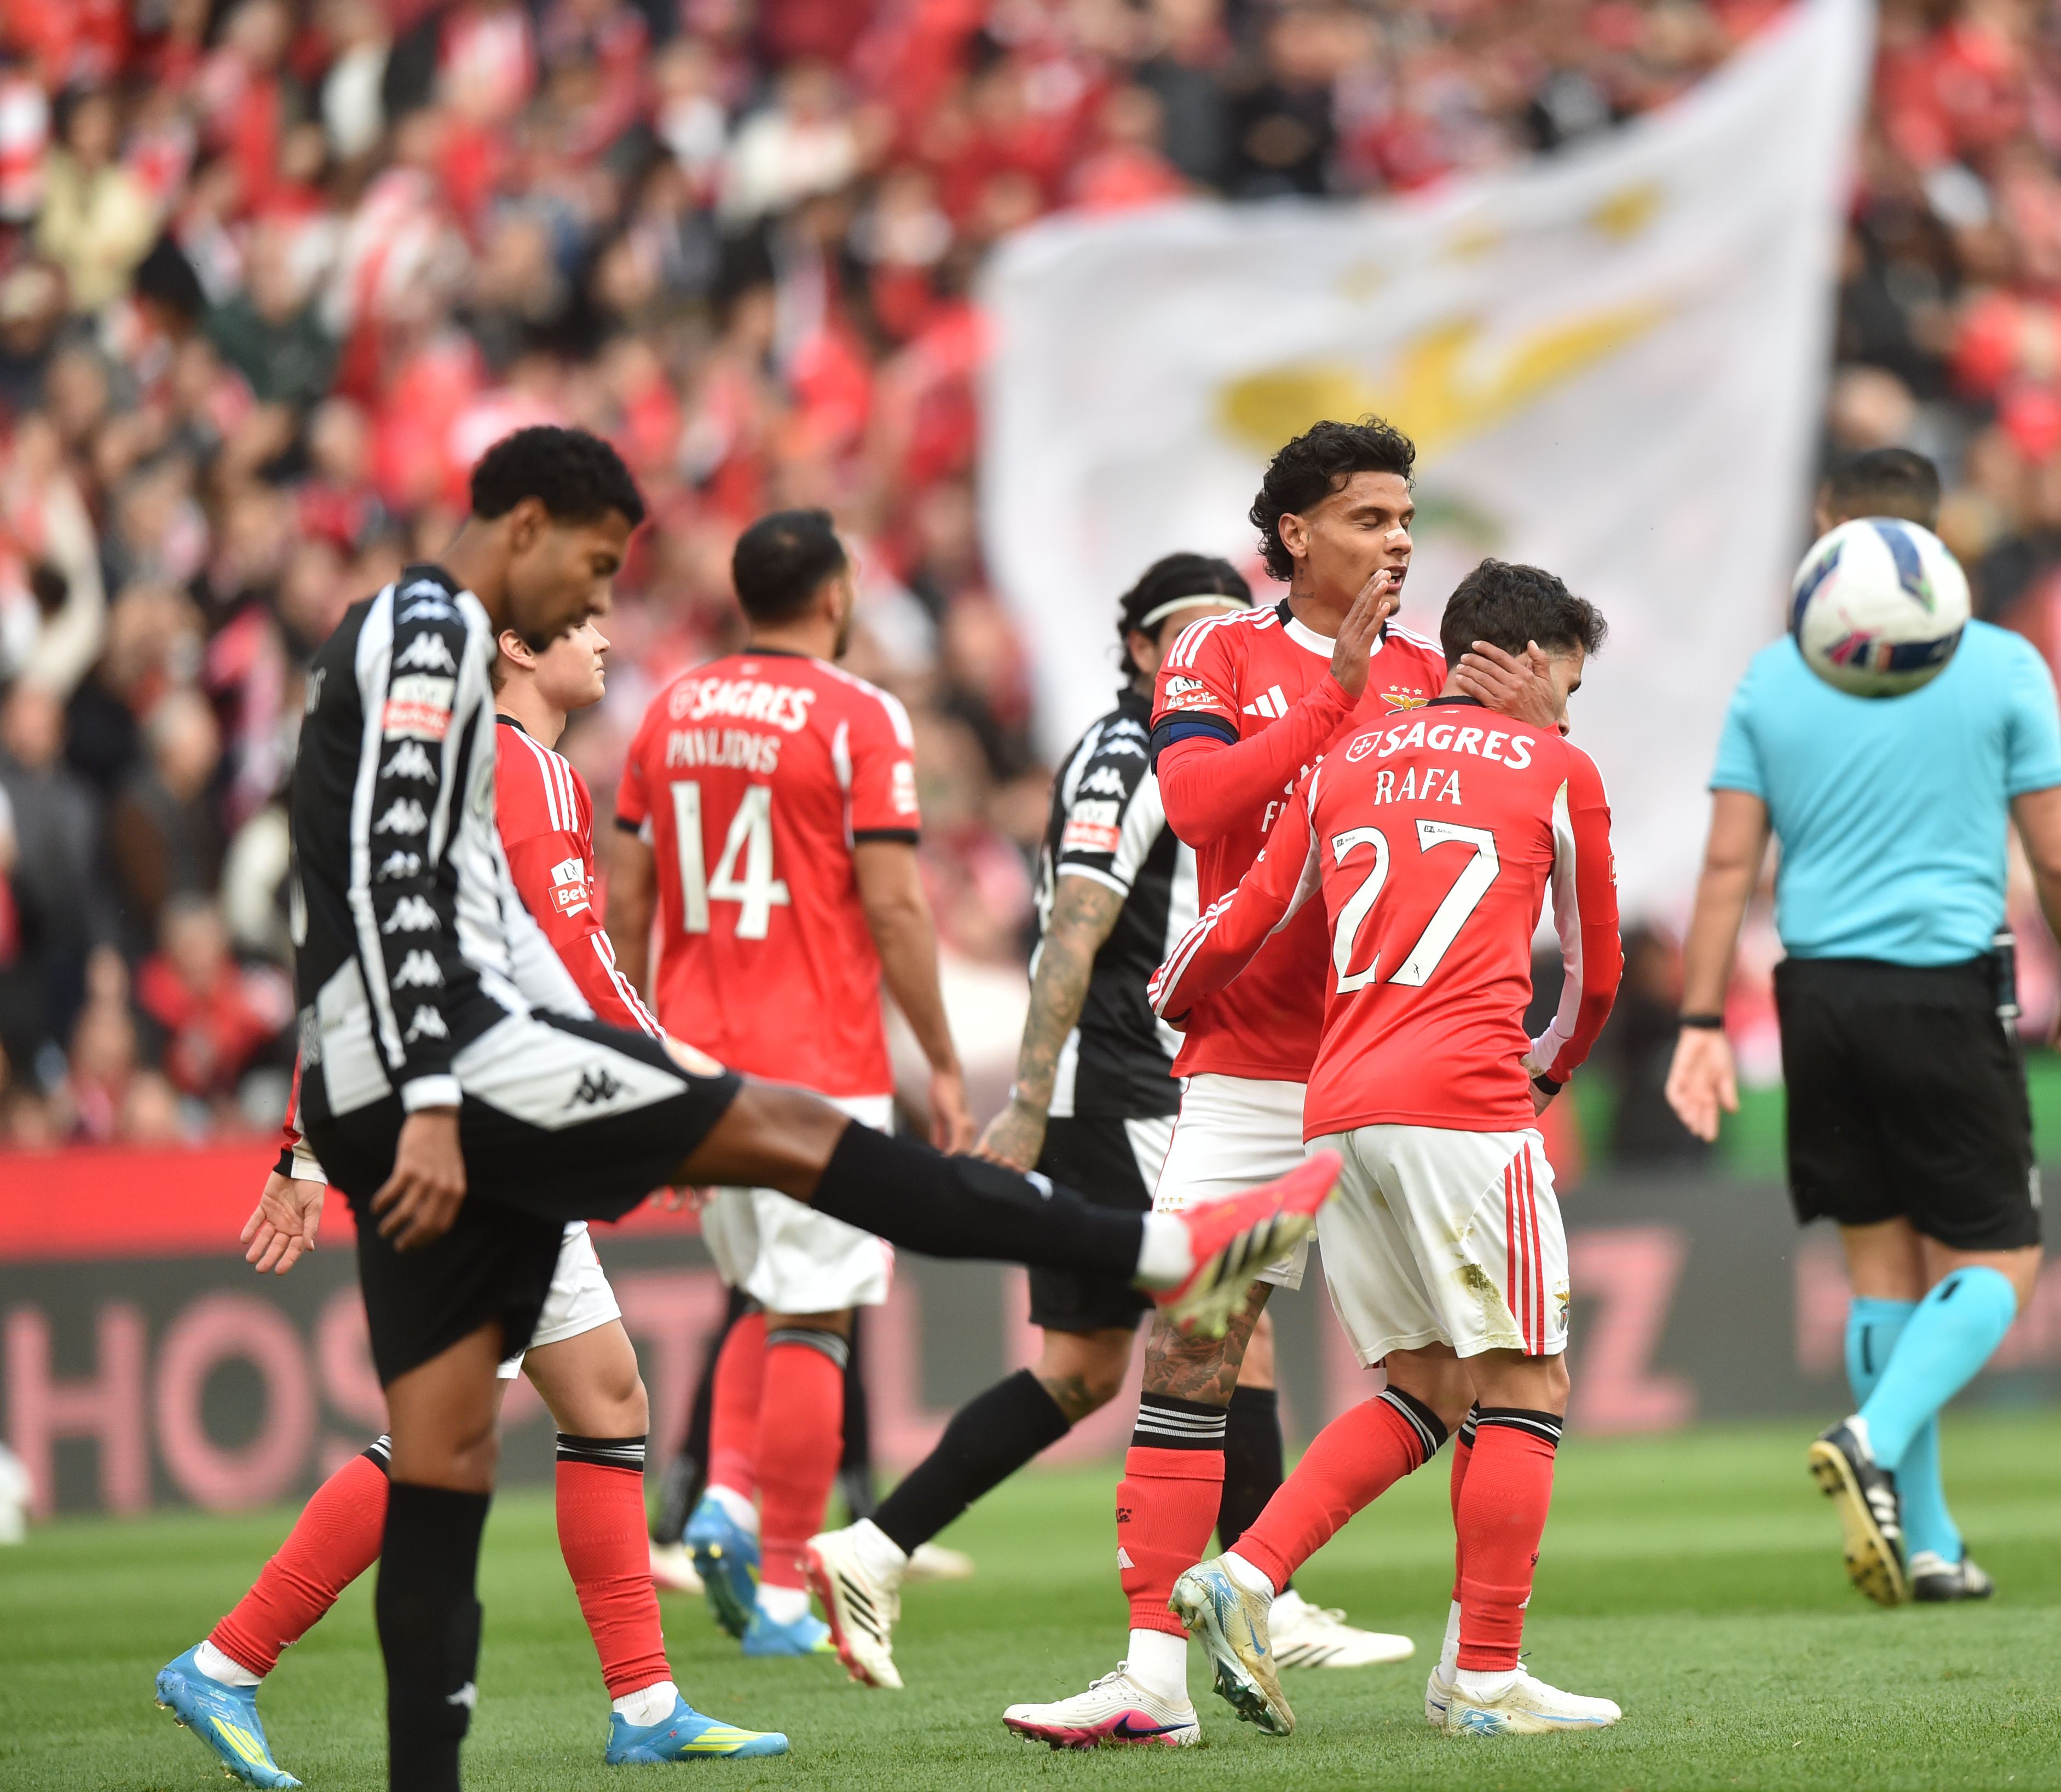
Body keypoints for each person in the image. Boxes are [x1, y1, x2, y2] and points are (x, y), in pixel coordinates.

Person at [257, 424, 1335, 1792]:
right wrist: (428, 1093)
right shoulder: (431, 627)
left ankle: (426, 1769)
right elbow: (404, 867)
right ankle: (1160, 1253)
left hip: (384, 1067)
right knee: (802, 1139)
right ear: (523, 524)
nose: (591, 606)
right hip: (454, 1066)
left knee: (448, 1453)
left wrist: (334, 1109)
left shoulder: (401, 658)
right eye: (588, 574)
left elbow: (343, 882)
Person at [154, 613, 788, 1784]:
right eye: (587, 619)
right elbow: (583, 963)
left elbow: (356, 959)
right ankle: (228, 1660)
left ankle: (645, 1701)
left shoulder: (455, 776)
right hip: (489, 1140)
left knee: (606, 1396)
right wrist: (689, 1095)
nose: (609, 636)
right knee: (446, 1436)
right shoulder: (525, 767)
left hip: (467, 1130)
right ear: (515, 645)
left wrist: (305, 1143)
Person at [1000, 419, 1552, 1748]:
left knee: (1453, 1375)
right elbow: (1195, 809)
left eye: (1409, 519)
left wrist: (1527, 722)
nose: (1400, 542)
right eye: (1371, 519)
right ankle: (1149, 1675)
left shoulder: (1438, 669)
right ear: (1296, 534)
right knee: (1189, 1344)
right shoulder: (1217, 650)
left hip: (1383, 1062)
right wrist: (1332, 695)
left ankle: (1462, 1660)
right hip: (1249, 1063)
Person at [803, 551, 1404, 1685]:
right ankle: (1262, 1592)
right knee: (1233, 1306)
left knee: (1079, 1367)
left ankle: (872, 1546)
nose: (1219, 652)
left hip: (1119, 1078)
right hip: (1126, 1077)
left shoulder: (1190, 748)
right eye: (1189, 634)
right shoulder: (1134, 753)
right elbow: (1072, 928)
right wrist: (1027, 1099)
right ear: (1138, 649)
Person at [1153, 559, 1625, 1739]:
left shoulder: (1345, 760)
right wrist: (1548, 1069)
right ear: (1520, 661)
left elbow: (1247, 915)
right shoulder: (1560, 767)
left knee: (1426, 1383)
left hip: (1337, 1104)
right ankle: (1485, 1677)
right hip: (1467, 1101)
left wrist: (1173, 994)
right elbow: (1601, 971)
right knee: (1526, 1380)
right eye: (1565, 676)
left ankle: (1245, 1572)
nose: (1568, 705)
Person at [1664, 447, 2061, 1607]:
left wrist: (1702, 1014)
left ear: (1823, 529)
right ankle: (1873, 1435)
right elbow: (2058, 853)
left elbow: (1726, 861)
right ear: (1936, 535)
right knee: (2001, 1256)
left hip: (1814, 996)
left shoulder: (1771, 678)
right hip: (1944, 986)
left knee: (1883, 1265)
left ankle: (1927, 1538)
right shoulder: (2002, 662)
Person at [601, 508, 968, 1661]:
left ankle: (725, 1489)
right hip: (817, 1063)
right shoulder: (860, 714)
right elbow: (897, 905)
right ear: (834, 594)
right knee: (817, 1312)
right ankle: (778, 1592)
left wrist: (644, 1047)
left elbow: (625, 898)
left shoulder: (669, 709)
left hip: (694, 1059)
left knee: (765, 1293)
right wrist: (943, 1059)